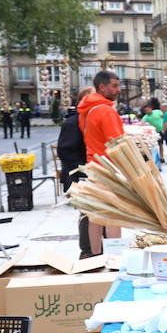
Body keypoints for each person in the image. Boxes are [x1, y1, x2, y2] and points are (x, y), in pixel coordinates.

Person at [78, 72, 126, 257]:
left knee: (95, 216)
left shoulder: (88, 109)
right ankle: (115, 258)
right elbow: (117, 143)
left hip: (94, 166)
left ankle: (96, 254)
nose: (118, 90)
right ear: (102, 87)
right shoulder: (105, 110)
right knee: (113, 215)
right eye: (114, 86)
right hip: (108, 168)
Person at [56, 92, 90, 257]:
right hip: (82, 176)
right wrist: (83, 169)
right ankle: (87, 251)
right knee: (87, 213)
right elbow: (65, 151)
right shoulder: (72, 123)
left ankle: (98, 249)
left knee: (98, 215)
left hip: (93, 174)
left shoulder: (89, 120)